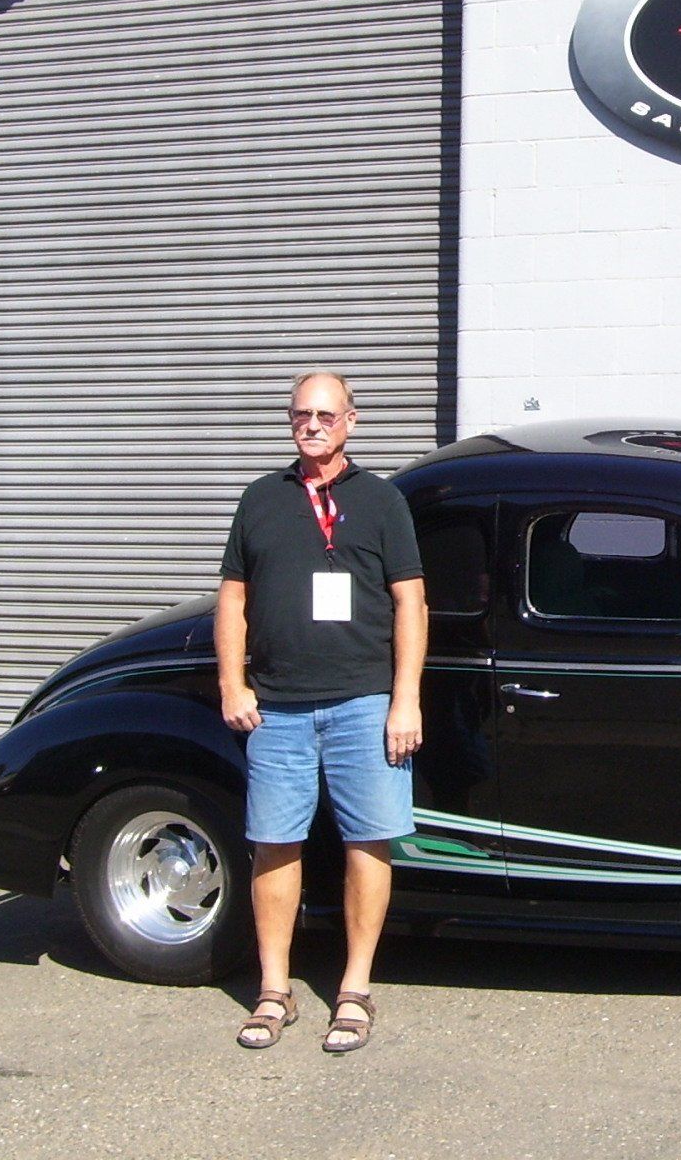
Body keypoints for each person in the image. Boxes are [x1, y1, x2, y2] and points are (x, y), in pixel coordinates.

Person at [215, 371, 427, 1053]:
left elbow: (410, 604)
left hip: (365, 702)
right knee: (275, 843)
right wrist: (232, 685)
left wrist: (405, 699)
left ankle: (355, 990)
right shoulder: (260, 500)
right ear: (289, 421)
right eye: (301, 414)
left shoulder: (382, 501)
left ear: (352, 422)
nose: (313, 424)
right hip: (277, 707)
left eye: (326, 415)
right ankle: (274, 991)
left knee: (370, 842)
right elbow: (232, 601)